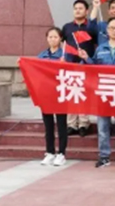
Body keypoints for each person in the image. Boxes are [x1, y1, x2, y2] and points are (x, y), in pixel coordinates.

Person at [77, 17, 115, 169]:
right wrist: (86, 58)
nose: (114, 31)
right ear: (107, 31)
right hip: (103, 92)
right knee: (102, 127)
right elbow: (94, 68)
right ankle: (104, 156)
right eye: (111, 28)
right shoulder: (100, 48)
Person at [61, 0, 96, 137]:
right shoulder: (67, 27)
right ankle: (71, 124)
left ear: (86, 11)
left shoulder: (91, 27)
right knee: (71, 93)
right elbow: (63, 44)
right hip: (71, 64)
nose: (78, 11)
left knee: (83, 94)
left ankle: (83, 124)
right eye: (75, 8)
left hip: (86, 64)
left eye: (81, 8)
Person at [37, 27, 68, 167]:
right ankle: (50, 152)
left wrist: (65, 64)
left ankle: (61, 153)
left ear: (60, 39)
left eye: (55, 37)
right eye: (50, 37)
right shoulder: (42, 55)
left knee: (61, 124)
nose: (52, 39)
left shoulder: (65, 55)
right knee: (48, 125)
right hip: (46, 93)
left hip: (60, 93)